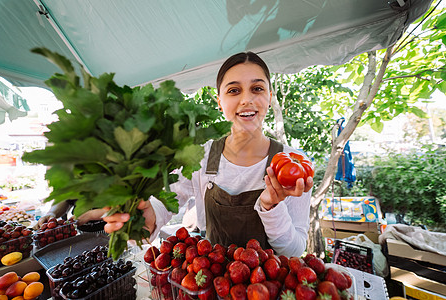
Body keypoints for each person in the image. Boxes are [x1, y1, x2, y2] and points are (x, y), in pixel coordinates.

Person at [103, 52, 313, 257]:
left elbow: (293, 252)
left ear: (269, 97)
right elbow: (162, 206)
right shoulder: (200, 157)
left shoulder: (294, 165)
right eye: (233, 90)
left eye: (257, 88)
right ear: (219, 102)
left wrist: (271, 207)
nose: (246, 99)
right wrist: (143, 217)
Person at [34, 200, 106, 233]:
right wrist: (51, 213)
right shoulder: (71, 174)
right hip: (81, 231)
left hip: (108, 230)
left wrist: (90, 215)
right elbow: (64, 198)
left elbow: (116, 208)